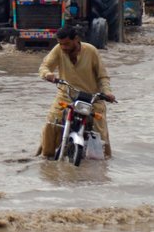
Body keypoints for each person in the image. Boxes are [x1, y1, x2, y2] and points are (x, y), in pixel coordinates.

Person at [37, 26, 116, 158]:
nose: (64, 47)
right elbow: (44, 66)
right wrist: (48, 74)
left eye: (67, 44)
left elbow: (102, 76)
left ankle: (103, 160)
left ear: (76, 40)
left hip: (91, 99)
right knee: (51, 122)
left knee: (99, 131)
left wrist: (107, 93)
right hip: (66, 96)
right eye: (61, 44)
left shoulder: (91, 51)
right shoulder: (58, 50)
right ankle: (46, 158)